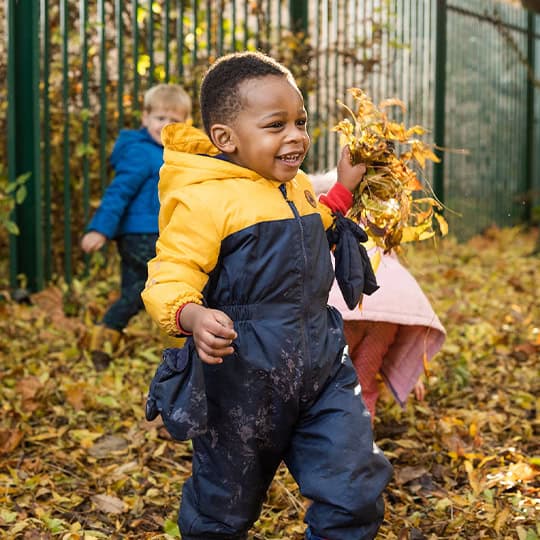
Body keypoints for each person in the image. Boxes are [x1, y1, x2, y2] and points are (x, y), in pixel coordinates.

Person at [142, 51, 393, 540]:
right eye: (276, 125)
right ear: (226, 139)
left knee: (354, 486)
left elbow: (309, 230)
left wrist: (341, 191)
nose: (296, 135)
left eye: (300, 121)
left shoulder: (294, 186)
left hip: (321, 367)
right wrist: (191, 315)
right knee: (223, 508)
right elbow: (170, 272)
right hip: (242, 379)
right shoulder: (205, 198)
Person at [310, 170, 446, 421]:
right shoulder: (384, 212)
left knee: (328, 379)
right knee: (364, 380)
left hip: (341, 306)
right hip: (389, 309)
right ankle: (360, 440)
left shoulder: (326, 203)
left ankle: (329, 437)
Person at [81, 83, 192, 369]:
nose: (165, 126)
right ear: (145, 118)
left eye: (174, 120)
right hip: (140, 235)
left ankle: (102, 342)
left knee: (134, 294)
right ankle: (183, 350)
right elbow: (118, 193)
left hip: (154, 234)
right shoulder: (141, 153)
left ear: (186, 123)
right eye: (160, 118)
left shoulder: (175, 154)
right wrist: (100, 229)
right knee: (172, 284)